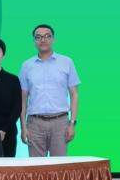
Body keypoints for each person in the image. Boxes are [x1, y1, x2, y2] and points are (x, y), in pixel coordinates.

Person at [19, 24, 80, 157]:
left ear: (53, 39)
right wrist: (23, 127)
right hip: (35, 124)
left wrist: (72, 123)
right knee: (36, 167)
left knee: (59, 167)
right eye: (38, 37)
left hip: (60, 123)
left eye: (47, 36)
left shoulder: (67, 62)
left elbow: (74, 94)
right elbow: (23, 99)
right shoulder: (26, 66)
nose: (43, 40)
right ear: (34, 41)